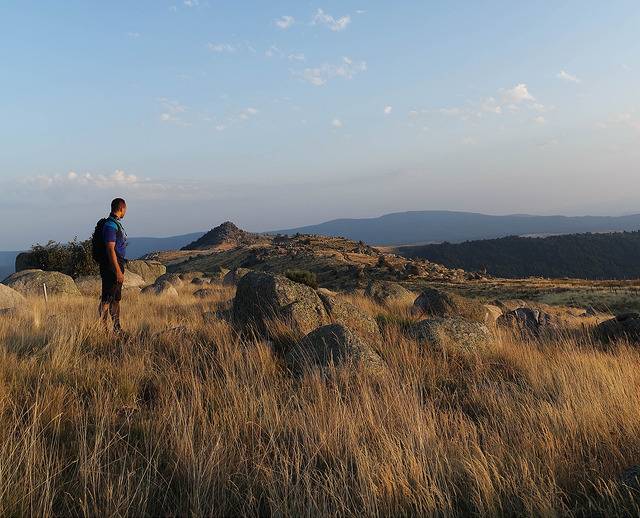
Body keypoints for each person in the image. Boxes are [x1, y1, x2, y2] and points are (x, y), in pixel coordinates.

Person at [98, 198, 128, 332]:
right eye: (125, 209)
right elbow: (110, 248)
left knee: (116, 298)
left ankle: (117, 328)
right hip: (111, 267)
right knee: (106, 300)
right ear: (121, 208)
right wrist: (117, 270)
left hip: (116, 265)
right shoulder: (110, 225)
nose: (125, 212)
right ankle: (103, 329)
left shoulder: (115, 223)